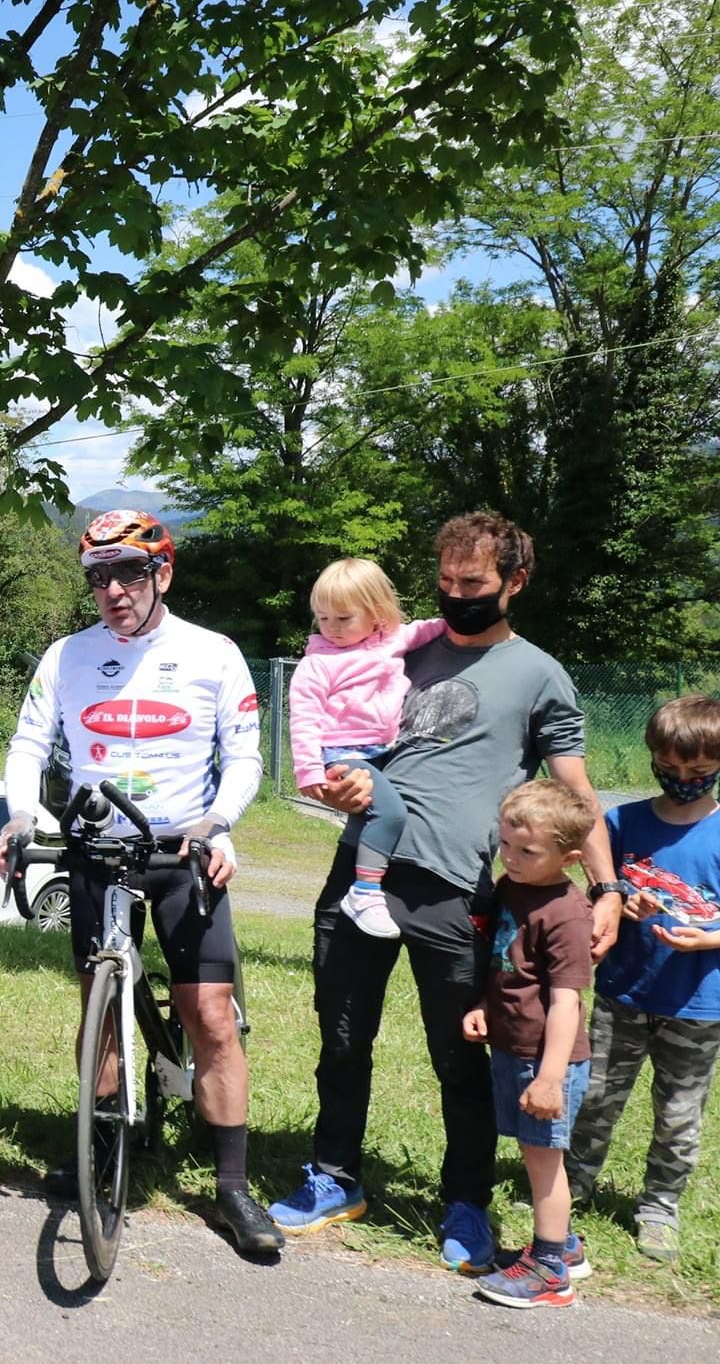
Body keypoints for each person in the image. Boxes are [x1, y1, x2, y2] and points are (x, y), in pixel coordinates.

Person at [268, 512, 621, 1275]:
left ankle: (465, 1198)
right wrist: (337, 785)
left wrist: (609, 885)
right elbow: (339, 730)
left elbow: (575, 788)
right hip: (363, 868)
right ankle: (334, 1176)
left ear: (514, 582)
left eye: (475, 583)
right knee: (341, 1035)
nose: (457, 594)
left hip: (456, 891)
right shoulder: (401, 649)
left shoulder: (537, 673)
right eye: (447, 581)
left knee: (459, 1054)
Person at [0, 508, 283, 1254]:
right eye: (98, 578)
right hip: (97, 850)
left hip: (181, 851)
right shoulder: (67, 655)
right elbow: (30, 743)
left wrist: (219, 824)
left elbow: (245, 755)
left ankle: (231, 1186)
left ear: (164, 571)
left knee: (211, 1017)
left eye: (129, 572)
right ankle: (99, 1150)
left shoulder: (213, 652)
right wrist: (22, 816)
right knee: (99, 1004)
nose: (113, 590)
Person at [564, 696, 720, 1266]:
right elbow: (594, 894)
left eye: (698, 773)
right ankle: (571, 1187)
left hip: (698, 1002)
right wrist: (616, 900)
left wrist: (710, 937)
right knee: (595, 1097)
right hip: (622, 991)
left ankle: (659, 1207)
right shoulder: (621, 823)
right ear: (653, 757)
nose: (682, 780)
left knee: (679, 1112)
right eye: (671, 768)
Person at [464, 780, 596, 1308]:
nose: (512, 859)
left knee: (544, 1164)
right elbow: (504, 963)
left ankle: (547, 1272)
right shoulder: (512, 888)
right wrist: (482, 1005)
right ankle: (565, 1248)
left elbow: (567, 1003)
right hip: (514, 1048)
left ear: (568, 857)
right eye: (506, 845)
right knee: (536, 1154)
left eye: (527, 851)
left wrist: (549, 1078)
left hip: (547, 1061)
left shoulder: (567, 913)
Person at [289, 559, 447, 938]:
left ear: (377, 613)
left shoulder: (394, 640)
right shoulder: (319, 664)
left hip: (385, 748)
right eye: (323, 619)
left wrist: (460, 623)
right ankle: (365, 891)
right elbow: (304, 718)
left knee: (397, 806)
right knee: (390, 813)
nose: (332, 629)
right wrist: (308, 770)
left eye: (343, 619)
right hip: (343, 753)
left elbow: (428, 629)